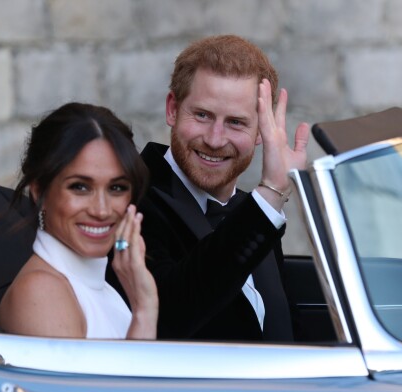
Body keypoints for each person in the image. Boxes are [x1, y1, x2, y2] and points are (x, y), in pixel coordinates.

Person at [107, 35, 309, 341]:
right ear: (173, 109)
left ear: (260, 132)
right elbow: (168, 317)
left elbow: (281, 327)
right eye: (202, 115)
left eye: (236, 122)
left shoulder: (250, 210)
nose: (215, 139)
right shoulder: (129, 198)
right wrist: (270, 195)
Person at [0, 103, 158, 339]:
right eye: (80, 187)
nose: (102, 210)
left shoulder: (100, 288)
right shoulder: (41, 292)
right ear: (39, 191)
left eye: (116, 188)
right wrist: (145, 312)